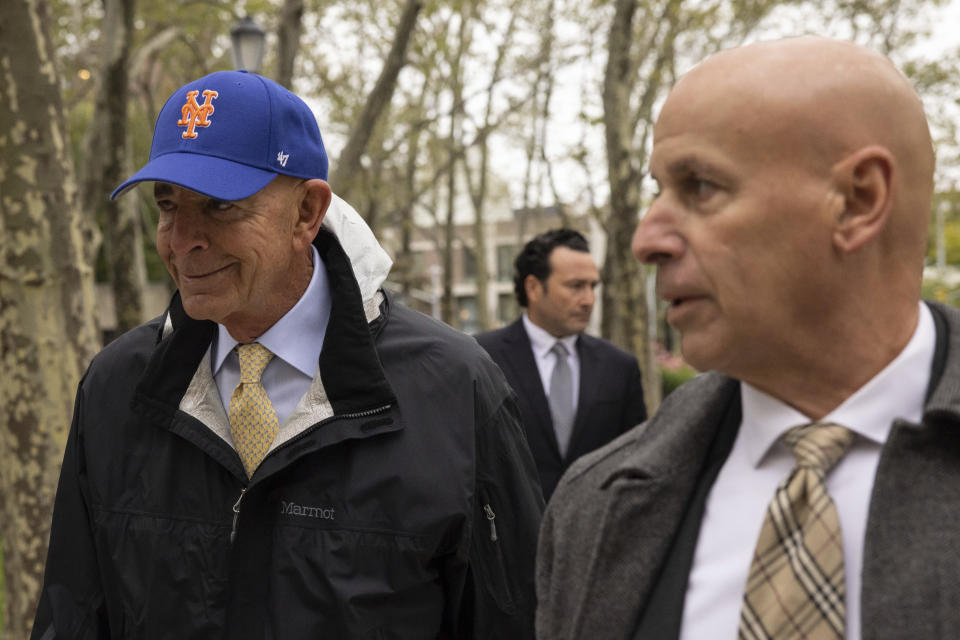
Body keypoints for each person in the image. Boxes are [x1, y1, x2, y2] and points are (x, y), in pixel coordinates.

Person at [31, 70, 544, 639]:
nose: (181, 240)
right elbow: (72, 615)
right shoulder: (116, 385)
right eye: (168, 204)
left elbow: (517, 619)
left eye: (219, 206)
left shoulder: (456, 389)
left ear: (307, 212)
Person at [536, 36, 960, 640]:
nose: (646, 240)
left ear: (859, 200)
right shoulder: (594, 505)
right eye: (659, 190)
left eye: (699, 187)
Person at [476, 229, 647, 501]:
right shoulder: (481, 359)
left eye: (593, 286)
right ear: (533, 288)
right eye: (576, 286)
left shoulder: (620, 367)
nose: (589, 300)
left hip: (596, 534)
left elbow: (636, 461)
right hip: (510, 537)